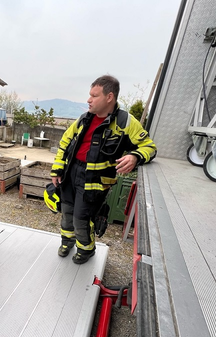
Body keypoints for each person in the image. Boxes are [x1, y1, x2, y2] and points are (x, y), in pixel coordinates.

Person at [50, 75, 157, 264]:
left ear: (109, 97)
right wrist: (58, 168)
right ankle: (67, 241)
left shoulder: (125, 122)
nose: (88, 100)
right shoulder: (84, 119)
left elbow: (150, 147)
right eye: (89, 95)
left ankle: (86, 250)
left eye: (94, 95)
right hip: (71, 173)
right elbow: (65, 141)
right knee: (66, 212)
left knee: (81, 218)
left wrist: (135, 156)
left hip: (95, 182)